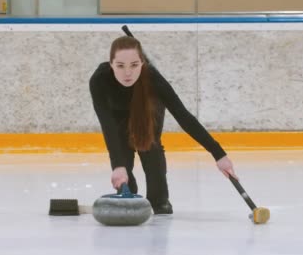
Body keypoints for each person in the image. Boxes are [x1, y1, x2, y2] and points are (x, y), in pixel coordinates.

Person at [89, 36, 237, 214]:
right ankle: (127, 191)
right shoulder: (99, 80)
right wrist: (118, 166)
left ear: (142, 63)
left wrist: (218, 153)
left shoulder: (153, 79)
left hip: (146, 112)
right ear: (111, 64)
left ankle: (159, 200)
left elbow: (183, 116)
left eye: (134, 65)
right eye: (120, 66)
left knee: (150, 147)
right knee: (123, 156)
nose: (127, 73)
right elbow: (108, 125)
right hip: (117, 117)